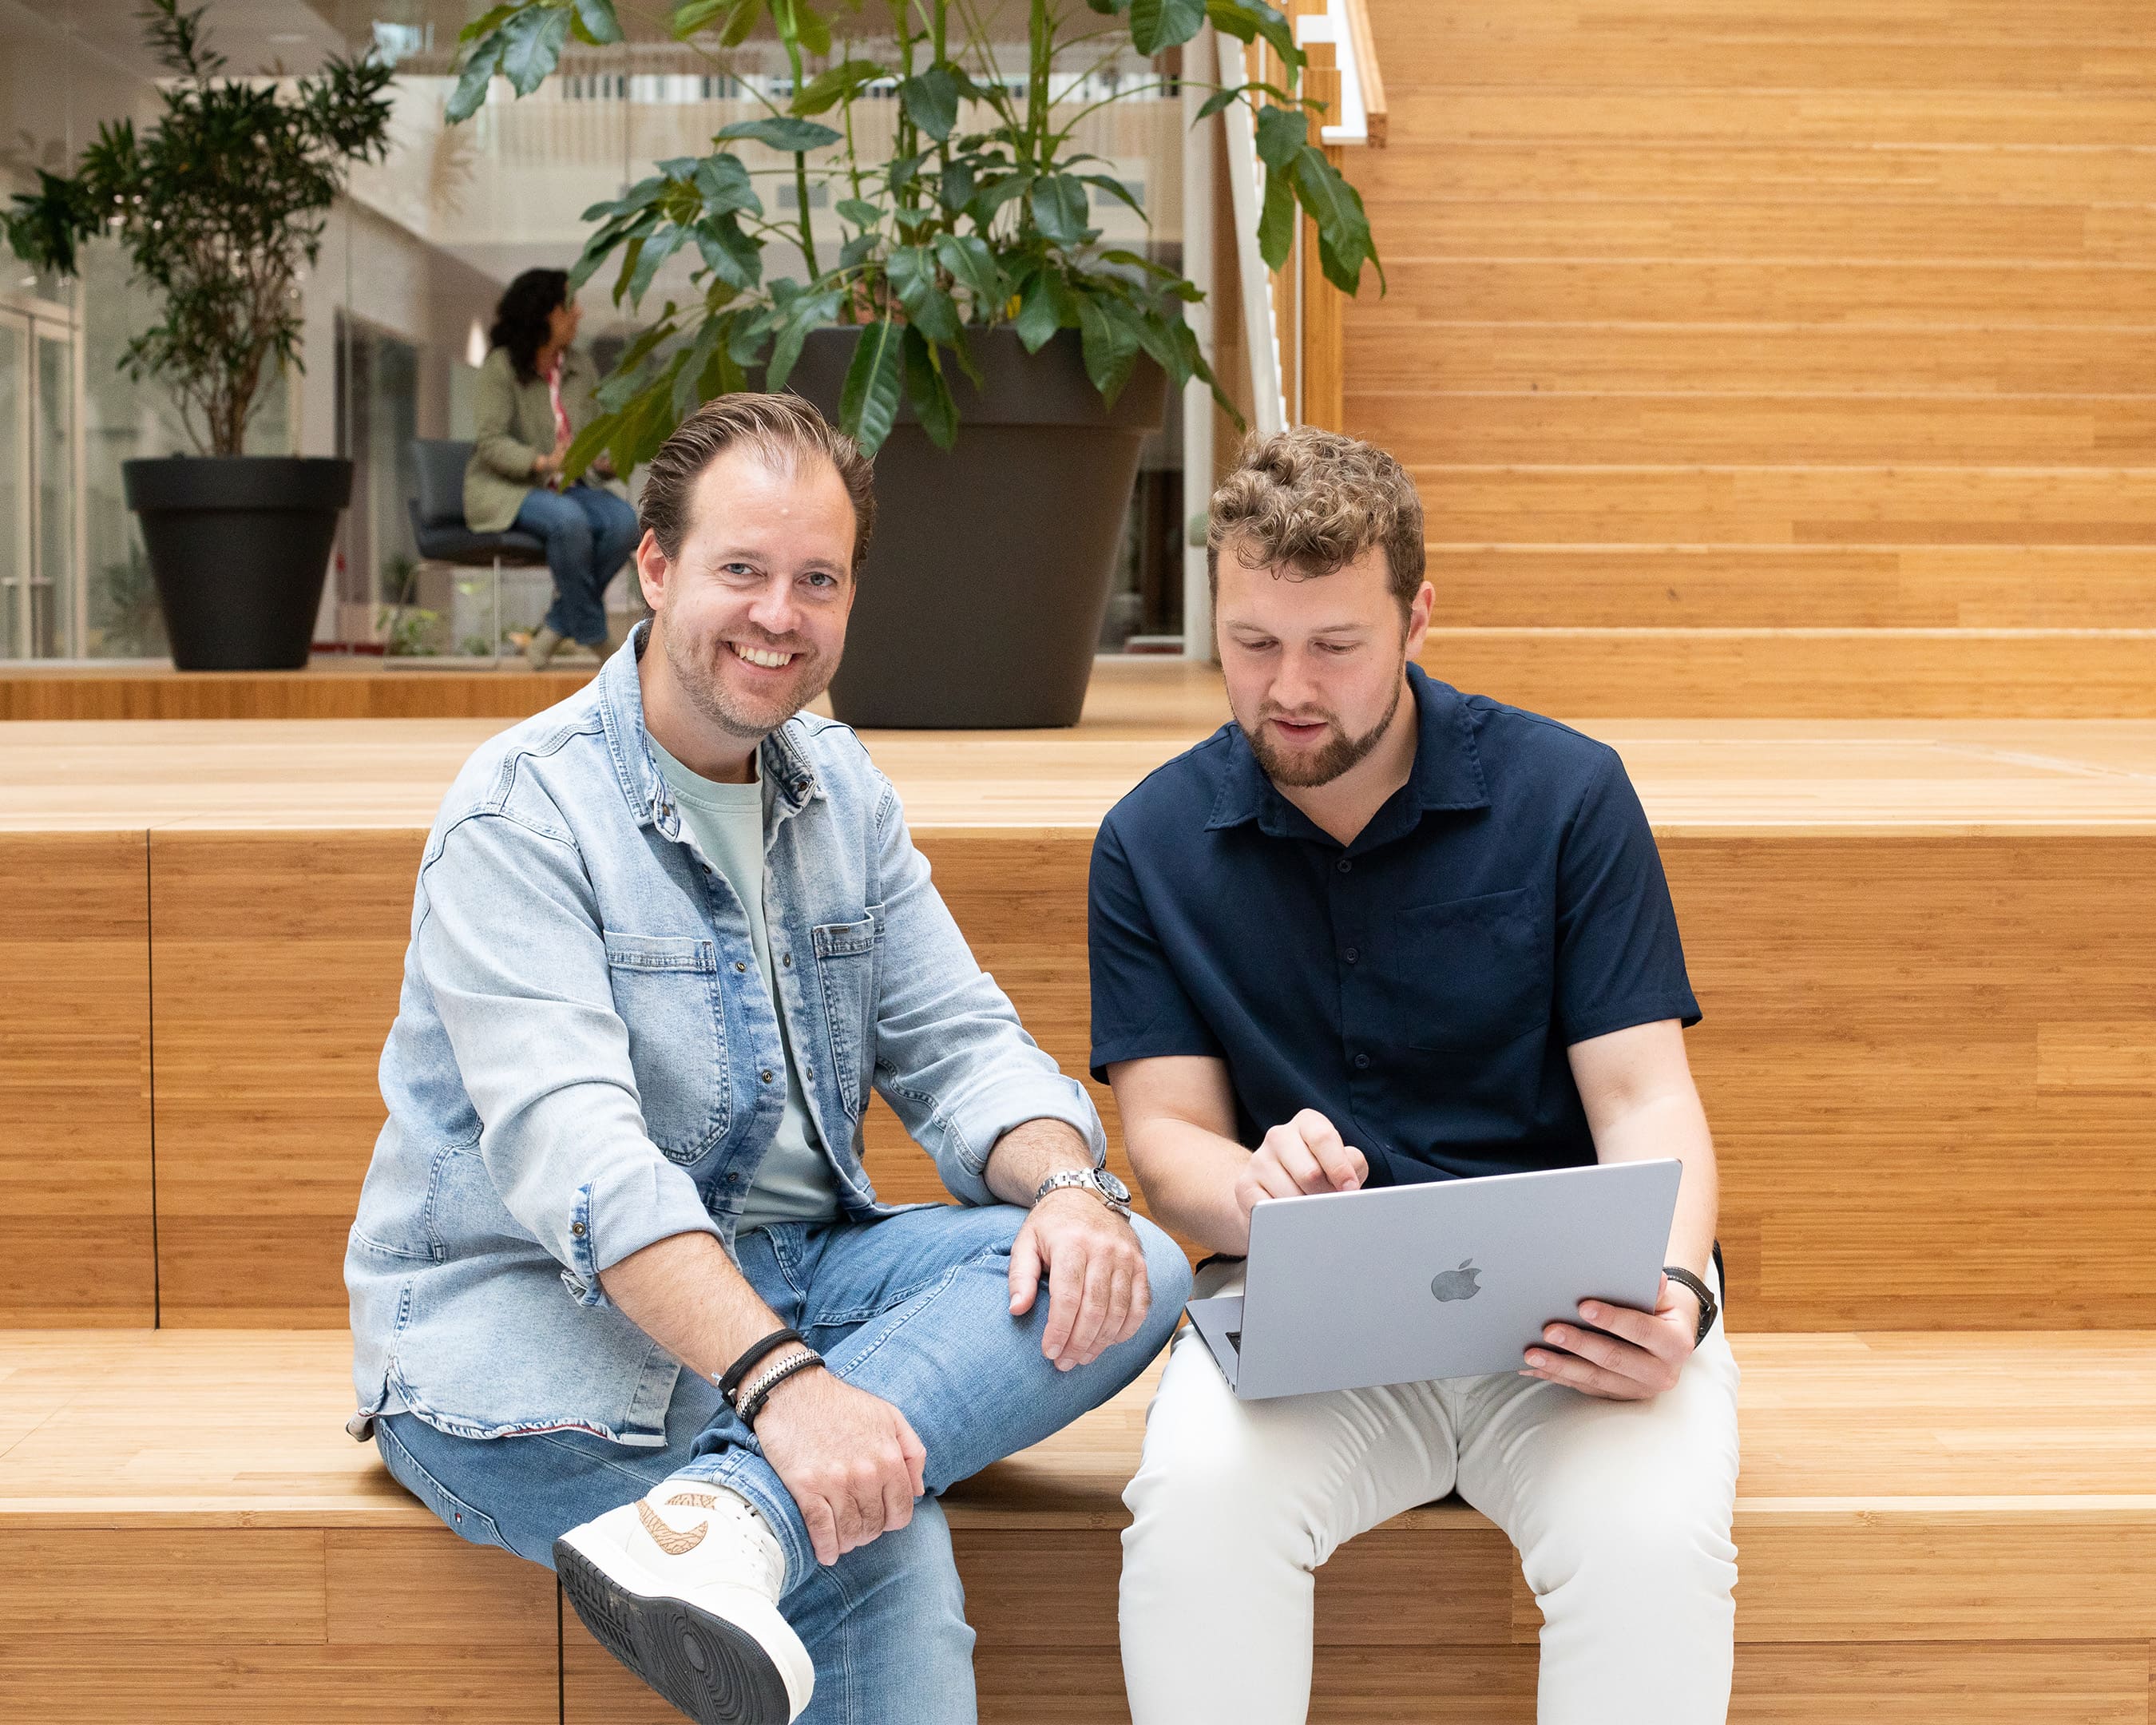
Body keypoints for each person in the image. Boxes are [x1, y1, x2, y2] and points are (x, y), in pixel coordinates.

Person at [348, 391, 1191, 1725]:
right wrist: (793, 1395)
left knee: (1131, 1257)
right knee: (871, 1521)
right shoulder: (520, 818)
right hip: (541, 1345)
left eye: (818, 580)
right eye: (741, 570)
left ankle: (734, 1516)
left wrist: (1068, 1185)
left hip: (789, 1279)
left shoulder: (836, 787)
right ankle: (775, 1490)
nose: (778, 616)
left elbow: (963, 1044)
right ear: (657, 567)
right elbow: (587, 1166)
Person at [1091, 427, 1739, 1724]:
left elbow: (1647, 1101)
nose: (1289, 688)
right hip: (1308, 1318)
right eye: (1254, 642)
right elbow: (1167, 1139)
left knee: (1652, 1552)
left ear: (1416, 617)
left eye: (1336, 645)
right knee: (1193, 1517)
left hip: (1575, 1323)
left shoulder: (1568, 795)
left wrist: (1671, 1294)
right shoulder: (1150, 840)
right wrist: (1254, 1189)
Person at [464, 266, 641, 669]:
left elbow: (593, 433)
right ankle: (596, 638)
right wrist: (543, 461)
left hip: (571, 486)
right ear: (544, 312)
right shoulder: (502, 367)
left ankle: (553, 629)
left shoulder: (580, 366)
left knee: (624, 523)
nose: (579, 312)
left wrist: (605, 460)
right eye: (569, 304)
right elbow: (490, 443)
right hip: (510, 487)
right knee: (569, 521)